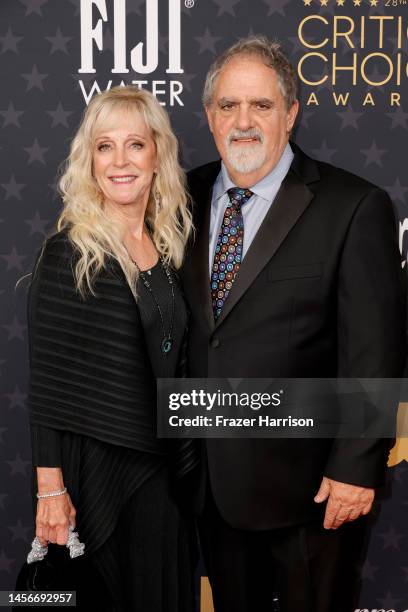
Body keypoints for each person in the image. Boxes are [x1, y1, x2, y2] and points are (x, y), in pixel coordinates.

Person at [181, 35, 406, 612]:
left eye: (261, 105)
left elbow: (373, 350)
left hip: (315, 493)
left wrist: (356, 467)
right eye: (228, 106)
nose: (244, 121)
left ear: (291, 113)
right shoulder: (180, 198)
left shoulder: (352, 205)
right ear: (209, 117)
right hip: (212, 487)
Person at [27, 85, 196, 611]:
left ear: (157, 155)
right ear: (90, 160)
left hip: (165, 476)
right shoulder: (69, 253)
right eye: (105, 146)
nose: (120, 161)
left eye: (134, 145)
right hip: (99, 475)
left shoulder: (167, 246)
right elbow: (47, 384)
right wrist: (50, 491)